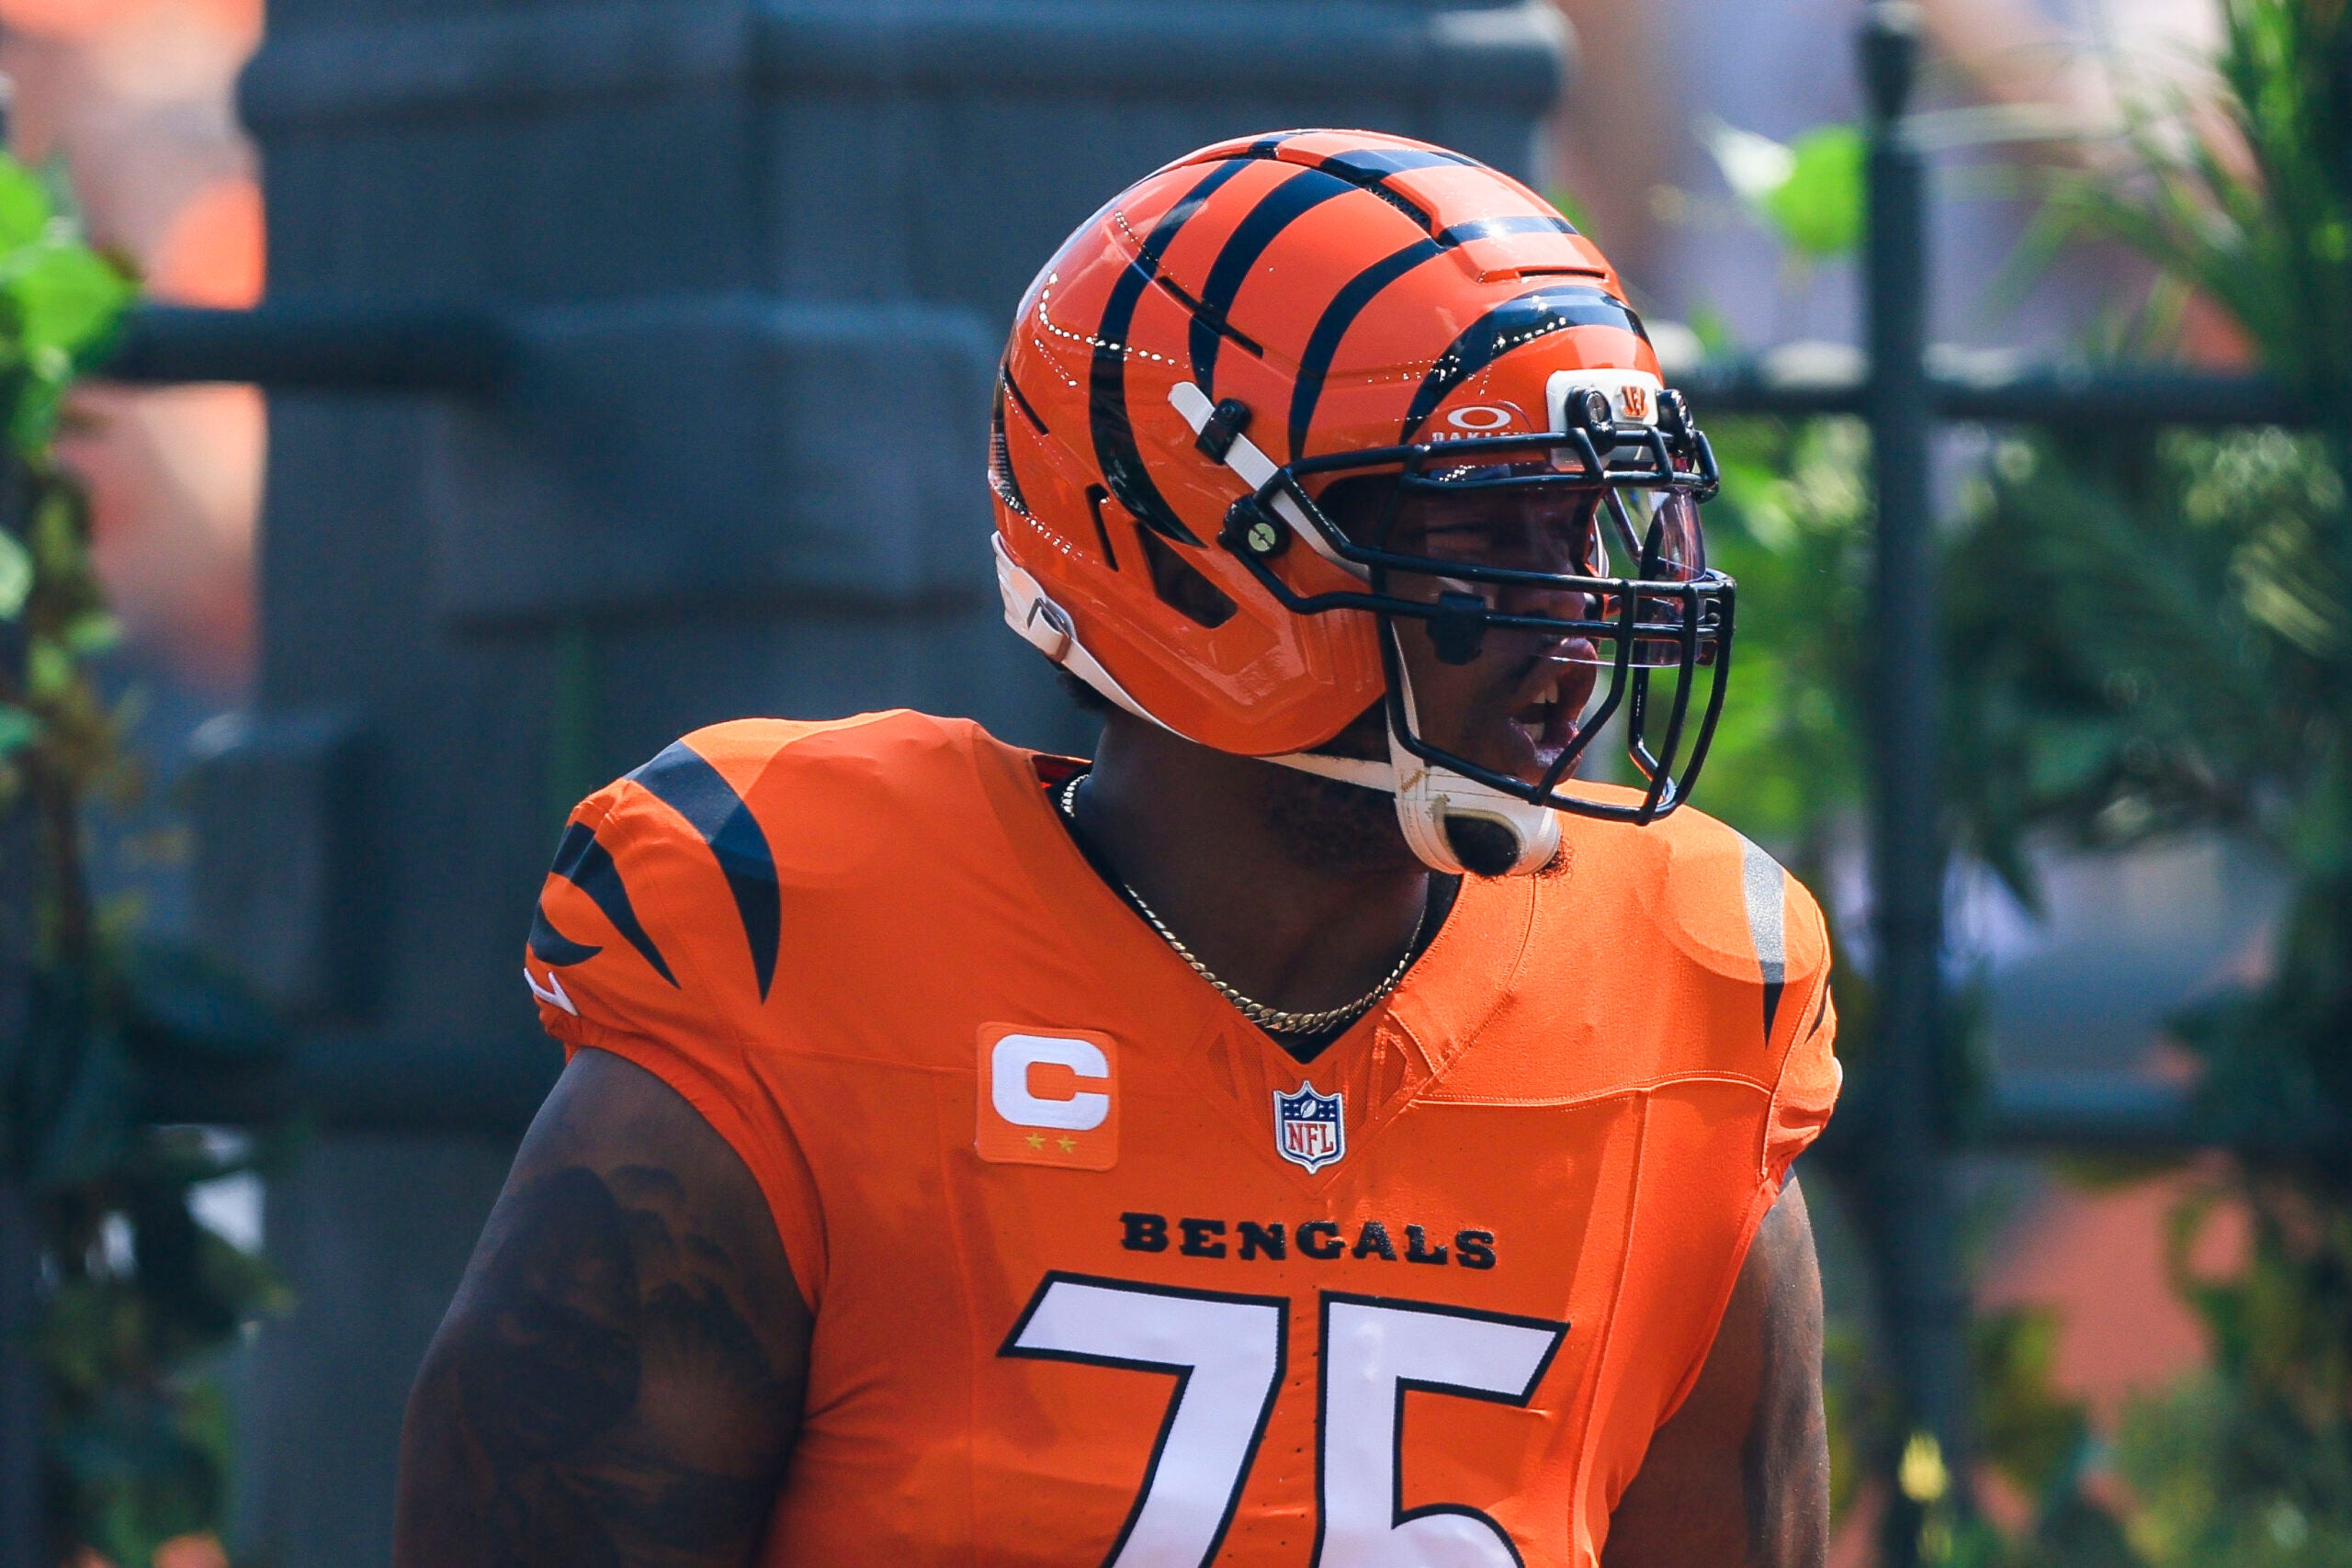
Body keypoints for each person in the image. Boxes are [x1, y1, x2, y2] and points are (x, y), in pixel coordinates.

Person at [392, 128, 1839, 1568]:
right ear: (1188, 551)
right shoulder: (814, 950)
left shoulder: (1686, 1001)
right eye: (1485, 543)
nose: (1575, 631)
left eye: (1581, 532)